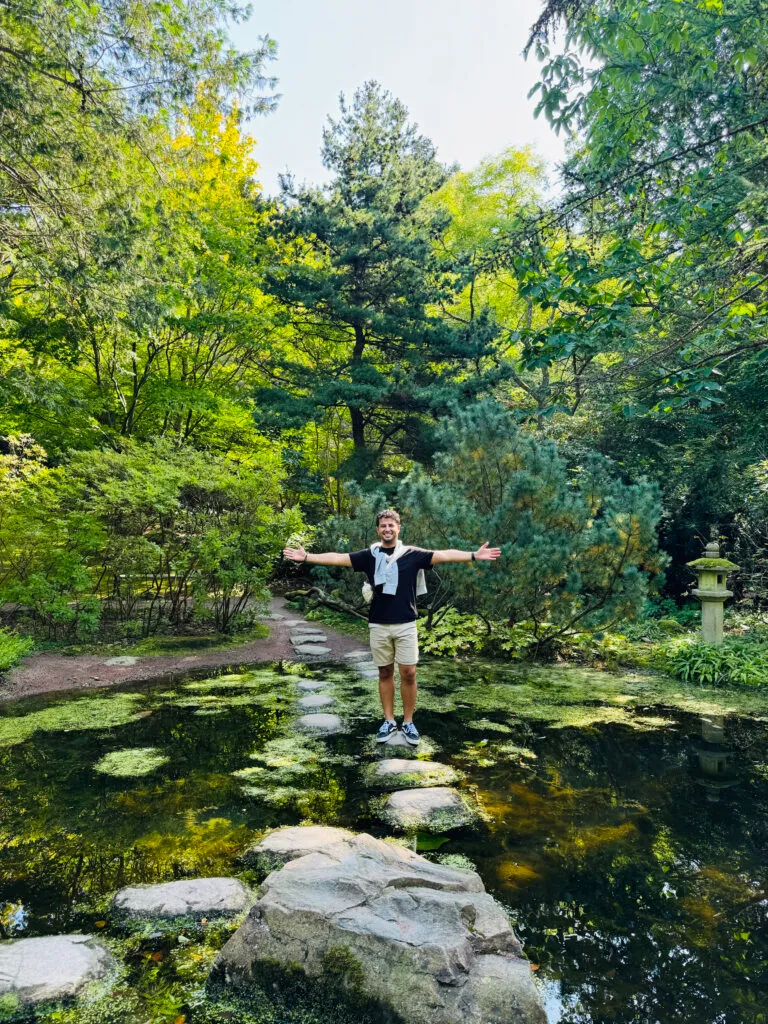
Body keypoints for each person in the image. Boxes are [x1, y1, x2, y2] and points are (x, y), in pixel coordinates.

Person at [283, 509, 501, 746]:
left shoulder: (412, 554)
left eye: (391, 525)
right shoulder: (370, 556)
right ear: (378, 530)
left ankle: (408, 722)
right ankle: (388, 721)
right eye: (383, 526)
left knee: (409, 673)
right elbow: (338, 557)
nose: (387, 529)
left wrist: (473, 555)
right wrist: (307, 557)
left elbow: (444, 554)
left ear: (398, 528)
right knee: (385, 673)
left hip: (406, 624)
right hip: (378, 624)